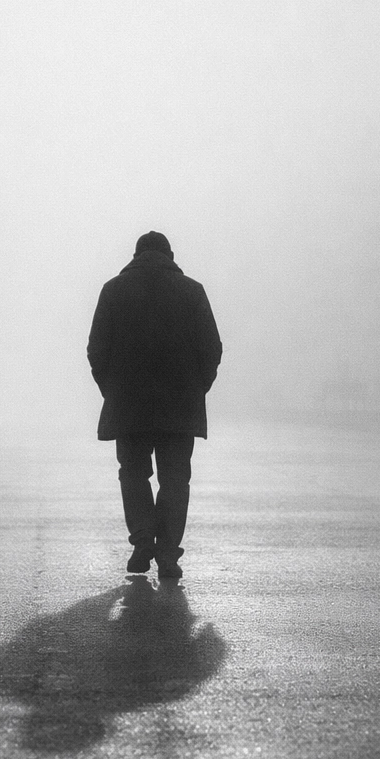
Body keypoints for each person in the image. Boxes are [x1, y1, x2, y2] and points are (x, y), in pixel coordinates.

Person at [86, 231, 222, 578]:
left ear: (135, 256)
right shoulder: (192, 291)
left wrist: (111, 390)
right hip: (180, 403)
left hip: (128, 403)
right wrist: (197, 388)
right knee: (175, 479)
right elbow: (212, 347)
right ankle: (168, 555)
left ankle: (143, 539)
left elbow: (96, 349)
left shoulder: (113, 290)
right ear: (170, 256)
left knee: (133, 473)